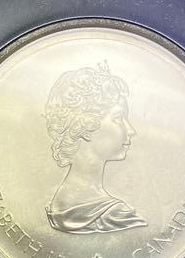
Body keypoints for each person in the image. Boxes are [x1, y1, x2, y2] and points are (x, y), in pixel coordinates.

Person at [43, 62, 147, 234]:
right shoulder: (116, 215)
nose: (131, 130)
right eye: (118, 118)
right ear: (85, 124)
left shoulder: (61, 204)